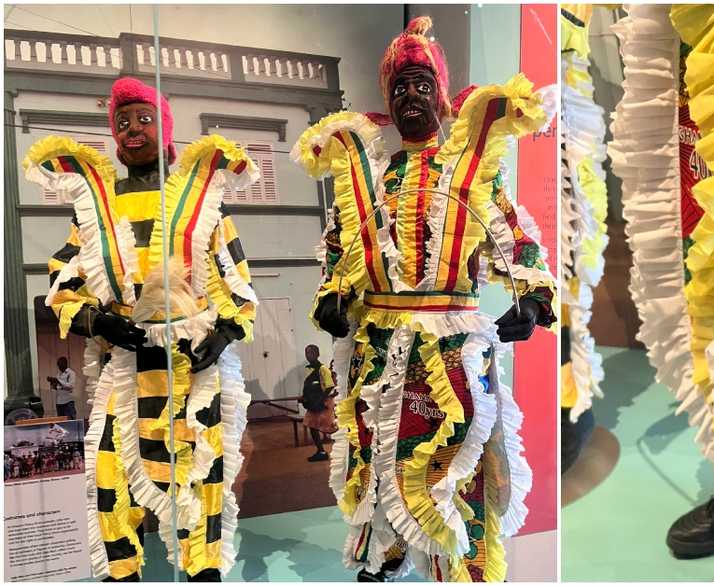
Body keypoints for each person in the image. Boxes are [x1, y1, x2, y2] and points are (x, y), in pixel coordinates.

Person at [292, 17, 556, 583]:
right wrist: (332, 297)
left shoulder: (474, 172)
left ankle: (458, 568)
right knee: (375, 459)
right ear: (388, 101)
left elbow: (517, 240)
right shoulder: (375, 179)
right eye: (399, 88)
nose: (410, 95)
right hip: (378, 347)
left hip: (452, 350)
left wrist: (531, 300)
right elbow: (339, 252)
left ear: (440, 93)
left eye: (420, 84)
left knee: (449, 469)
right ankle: (381, 560)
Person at [27, 77, 259, 581]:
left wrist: (223, 332)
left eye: (144, 119)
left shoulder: (203, 204)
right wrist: (94, 317)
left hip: (192, 369)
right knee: (109, 478)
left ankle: (203, 571)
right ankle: (123, 573)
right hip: (127, 369)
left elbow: (235, 280)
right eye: (123, 122)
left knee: (204, 476)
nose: (133, 130)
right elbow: (65, 278)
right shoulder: (97, 207)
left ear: (167, 130)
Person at [300, 344, 337, 462]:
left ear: (317, 354)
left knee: (331, 428)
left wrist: (320, 400)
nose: (308, 355)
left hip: (323, 404)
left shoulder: (323, 369)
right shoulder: (308, 369)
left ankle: (342, 449)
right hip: (313, 404)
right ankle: (321, 451)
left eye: (311, 353)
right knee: (312, 425)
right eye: (307, 353)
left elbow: (329, 386)